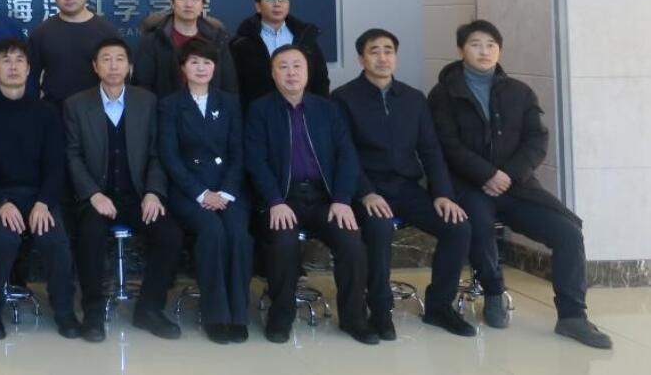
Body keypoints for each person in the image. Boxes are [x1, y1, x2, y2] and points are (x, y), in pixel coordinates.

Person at [429, 20, 612, 349]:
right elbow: (447, 145)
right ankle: (494, 291)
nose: (484, 51)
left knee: (568, 231)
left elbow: (536, 140)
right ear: (461, 50)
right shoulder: (443, 94)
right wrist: (487, 174)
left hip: (517, 184)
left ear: (499, 50)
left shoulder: (519, 92)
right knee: (478, 224)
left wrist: (508, 175)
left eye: (491, 45)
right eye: (475, 44)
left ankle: (572, 316)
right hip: (468, 185)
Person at [332, 28, 476, 339]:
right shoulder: (343, 98)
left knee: (458, 227)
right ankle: (380, 311)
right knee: (379, 228)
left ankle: (439, 307)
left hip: (406, 188)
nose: (382, 58)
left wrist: (443, 193)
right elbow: (344, 154)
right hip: (367, 188)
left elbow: (430, 150)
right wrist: (366, 193)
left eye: (388, 51)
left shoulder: (413, 98)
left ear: (396, 57)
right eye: (374, 51)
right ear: (361, 58)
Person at [245, 45, 377, 345]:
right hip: (282, 198)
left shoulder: (327, 109)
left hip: (324, 198)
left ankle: (355, 319)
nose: (291, 73)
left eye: (297, 66)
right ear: (273, 74)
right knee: (283, 241)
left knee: (352, 243)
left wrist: (342, 199)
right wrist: (274, 200)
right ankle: (281, 316)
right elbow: (255, 161)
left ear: (308, 72)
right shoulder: (260, 110)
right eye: (283, 67)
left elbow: (347, 155)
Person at [64, 38, 182, 342]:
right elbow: (72, 155)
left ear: (130, 67)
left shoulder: (147, 101)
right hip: (96, 196)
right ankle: (92, 311)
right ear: (95, 66)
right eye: (106, 59)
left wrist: (153, 192)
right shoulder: (76, 104)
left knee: (169, 235)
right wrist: (93, 194)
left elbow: (157, 154)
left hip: (139, 196)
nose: (113, 66)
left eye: (119, 59)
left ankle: (149, 309)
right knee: (89, 235)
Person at [0, 38, 80, 341]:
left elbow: (56, 166)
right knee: (3, 239)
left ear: (30, 69)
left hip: (39, 196)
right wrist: (1, 202)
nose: (13, 67)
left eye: (19, 61)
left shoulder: (47, 113)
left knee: (55, 240)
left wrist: (44, 203)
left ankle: (65, 311)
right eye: (6, 61)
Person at [157, 36, 252, 344]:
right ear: (183, 68)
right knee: (212, 232)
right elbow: (170, 156)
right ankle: (216, 315)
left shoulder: (230, 102)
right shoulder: (170, 105)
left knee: (238, 234)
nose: (201, 67)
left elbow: (238, 152)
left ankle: (238, 315)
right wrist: (202, 194)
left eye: (207, 62)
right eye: (194, 62)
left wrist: (226, 192)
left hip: (229, 189)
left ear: (215, 67)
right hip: (189, 191)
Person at [229, 0, 330, 110]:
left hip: (304, 112)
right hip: (259, 115)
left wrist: (320, 111)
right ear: (258, 6)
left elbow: (320, 80)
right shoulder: (242, 43)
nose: (277, 4)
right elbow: (236, 86)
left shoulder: (305, 37)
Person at [134, 0, 238, 99]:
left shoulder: (217, 40)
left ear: (203, 4)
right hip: (165, 109)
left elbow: (229, 86)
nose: (189, 4)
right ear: (172, 3)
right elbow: (142, 87)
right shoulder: (153, 40)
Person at [28, 0, 120, 106]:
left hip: (97, 111)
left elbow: (120, 76)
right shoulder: (41, 33)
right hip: (54, 110)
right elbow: (30, 77)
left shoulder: (108, 32)